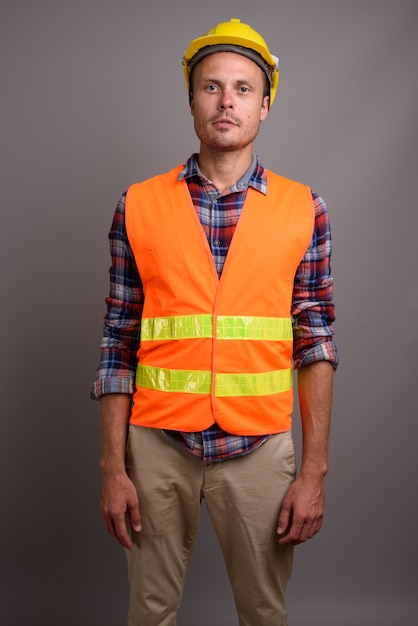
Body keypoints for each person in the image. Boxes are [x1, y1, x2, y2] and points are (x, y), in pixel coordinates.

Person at [91, 17, 338, 626]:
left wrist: (314, 470)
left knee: (263, 614)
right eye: (211, 87)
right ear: (192, 100)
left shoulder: (304, 208)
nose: (227, 101)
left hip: (259, 450)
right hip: (157, 447)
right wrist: (112, 466)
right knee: (149, 613)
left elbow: (317, 342)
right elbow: (119, 336)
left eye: (243, 88)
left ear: (265, 104)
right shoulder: (139, 203)